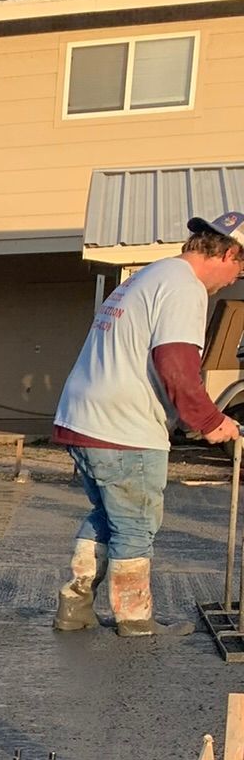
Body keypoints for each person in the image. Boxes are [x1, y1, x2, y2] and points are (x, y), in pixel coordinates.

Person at [52, 211, 244, 637]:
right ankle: (135, 619)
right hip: (125, 427)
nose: (233, 280)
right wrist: (211, 421)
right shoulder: (184, 288)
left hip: (83, 418)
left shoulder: (150, 276)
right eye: (238, 270)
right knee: (137, 524)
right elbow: (175, 363)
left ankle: (75, 605)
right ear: (229, 253)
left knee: (109, 515)